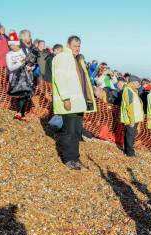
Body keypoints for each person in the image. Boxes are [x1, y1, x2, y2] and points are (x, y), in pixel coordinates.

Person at [51, 35, 96, 170]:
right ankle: (68, 158)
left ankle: (75, 157)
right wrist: (65, 98)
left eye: (79, 46)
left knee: (77, 131)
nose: (77, 48)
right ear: (68, 45)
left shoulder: (77, 59)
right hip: (69, 101)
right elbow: (60, 78)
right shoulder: (62, 57)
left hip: (78, 102)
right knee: (69, 131)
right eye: (75, 46)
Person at [6, 31, 35, 122]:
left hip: (27, 77)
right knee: (20, 95)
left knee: (25, 95)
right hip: (15, 78)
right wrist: (21, 62)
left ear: (17, 44)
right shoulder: (9, 55)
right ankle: (20, 113)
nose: (11, 47)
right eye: (10, 45)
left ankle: (20, 114)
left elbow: (32, 62)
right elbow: (10, 67)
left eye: (13, 45)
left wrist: (32, 67)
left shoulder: (25, 50)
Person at [120, 75, 144, 157]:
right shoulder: (129, 90)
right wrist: (132, 120)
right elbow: (129, 106)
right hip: (131, 118)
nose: (139, 85)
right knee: (130, 135)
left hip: (133, 117)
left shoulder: (131, 90)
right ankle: (130, 153)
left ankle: (127, 150)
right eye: (138, 83)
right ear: (133, 82)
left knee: (129, 134)